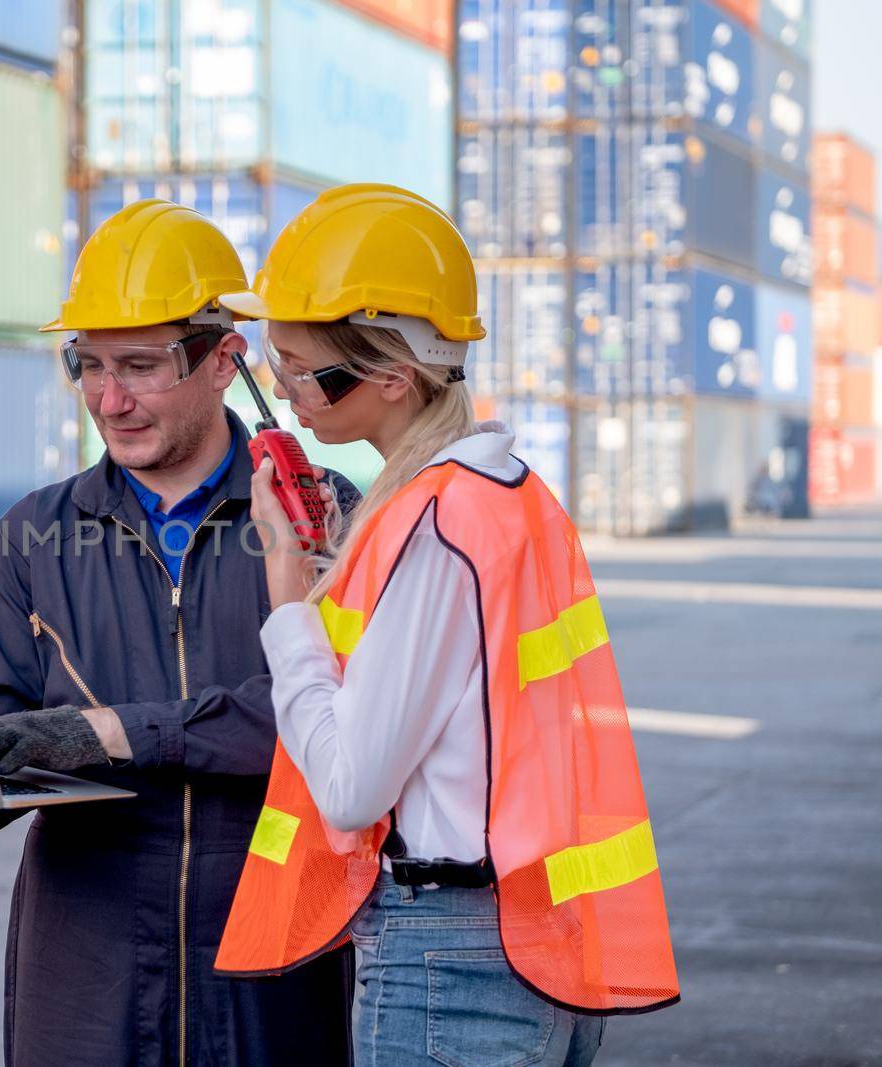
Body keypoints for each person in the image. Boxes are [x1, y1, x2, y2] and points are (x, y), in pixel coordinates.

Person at [0, 199, 363, 1064]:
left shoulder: (322, 518)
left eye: (139, 364)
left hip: (276, 976)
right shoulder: (33, 537)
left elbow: (329, 722)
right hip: (87, 989)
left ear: (224, 360)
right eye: (85, 365)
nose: (109, 398)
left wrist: (110, 734)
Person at [210, 184, 681, 1064]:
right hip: (535, 936)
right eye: (273, 365)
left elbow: (351, 786)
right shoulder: (512, 495)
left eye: (305, 370)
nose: (285, 392)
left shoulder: (428, 527)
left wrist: (285, 590)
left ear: (394, 375)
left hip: (455, 961)